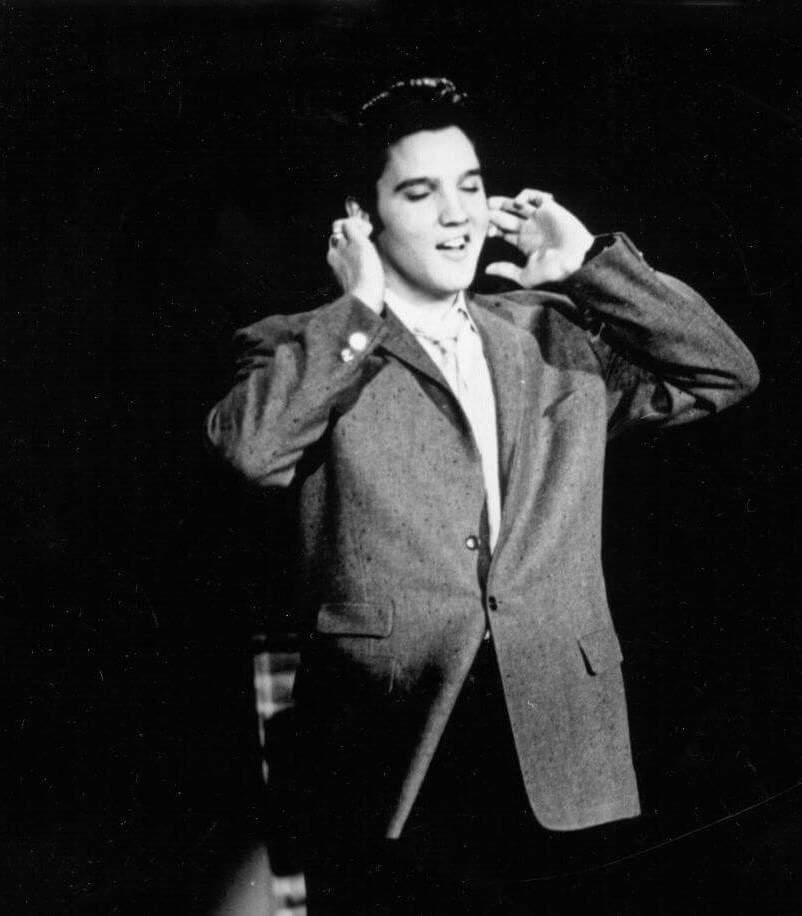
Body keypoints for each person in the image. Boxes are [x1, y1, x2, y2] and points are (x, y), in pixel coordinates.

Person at [207, 77, 759, 914]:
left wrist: (591, 267)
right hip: (391, 750)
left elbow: (724, 372)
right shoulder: (305, 345)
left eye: (471, 186)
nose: (458, 214)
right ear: (363, 216)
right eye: (421, 193)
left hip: (561, 738)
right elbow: (250, 451)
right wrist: (356, 308)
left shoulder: (553, 333)